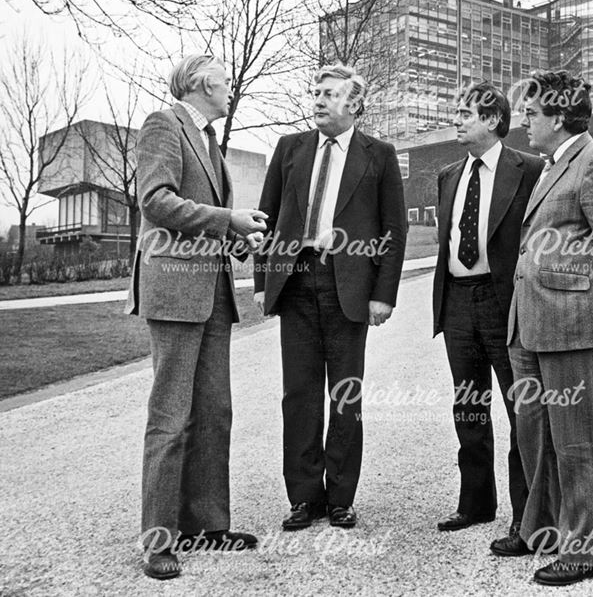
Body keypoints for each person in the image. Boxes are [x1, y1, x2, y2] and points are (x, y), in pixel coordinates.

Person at [491, 70, 593, 587]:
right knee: (537, 435)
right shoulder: (554, 164)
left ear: (558, 117)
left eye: (532, 114)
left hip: (574, 323)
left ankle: (589, 549)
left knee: (579, 441)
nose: (524, 123)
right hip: (530, 324)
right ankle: (544, 530)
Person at [126, 54, 268, 580]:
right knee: (170, 417)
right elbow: (156, 201)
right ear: (204, 82)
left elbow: (200, 216)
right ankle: (159, 541)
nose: (231, 89)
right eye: (226, 80)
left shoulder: (209, 139)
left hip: (211, 294)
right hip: (174, 294)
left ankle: (207, 525)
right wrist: (225, 218)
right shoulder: (164, 124)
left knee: (213, 411)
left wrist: (236, 234)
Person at [253, 64, 407, 531]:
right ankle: (304, 498)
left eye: (329, 95)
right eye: (315, 93)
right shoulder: (289, 149)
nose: (318, 101)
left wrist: (384, 296)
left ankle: (340, 496)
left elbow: (394, 230)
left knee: (345, 395)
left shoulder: (378, 155)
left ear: (354, 104)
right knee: (298, 395)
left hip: (349, 289)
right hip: (296, 282)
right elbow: (266, 218)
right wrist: (263, 282)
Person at [432, 81, 544, 536]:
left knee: (521, 410)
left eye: (465, 113)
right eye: (456, 113)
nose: (456, 120)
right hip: (458, 301)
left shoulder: (531, 169)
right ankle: (475, 503)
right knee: (470, 408)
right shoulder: (447, 176)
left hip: (506, 303)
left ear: (494, 119)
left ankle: (527, 514)